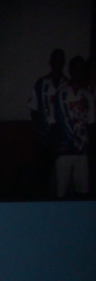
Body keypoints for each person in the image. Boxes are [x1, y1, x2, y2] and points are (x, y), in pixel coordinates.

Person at [27, 48, 66, 198]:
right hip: (44, 139)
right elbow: (33, 109)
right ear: (50, 62)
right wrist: (41, 129)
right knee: (43, 176)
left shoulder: (67, 84)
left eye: (61, 61)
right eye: (55, 60)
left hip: (63, 139)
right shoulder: (41, 83)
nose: (58, 63)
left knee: (61, 178)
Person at [55, 56, 92, 198]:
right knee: (61, 191)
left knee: (82, 191)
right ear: (70, 70)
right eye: (75, 68)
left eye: (81, 68)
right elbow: (54, 122)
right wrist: (55, 146)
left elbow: (91, 123)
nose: (78, 71)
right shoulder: (61, 93)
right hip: (64, 150)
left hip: (82, 151)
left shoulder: (87, 95)